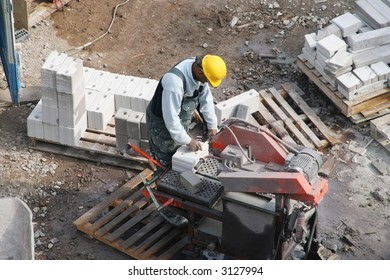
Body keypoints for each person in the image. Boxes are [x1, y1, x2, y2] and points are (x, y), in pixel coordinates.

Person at [146, 54, 227, 169]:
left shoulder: (200, 71)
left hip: (178, 119)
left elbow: (206, 101)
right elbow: (171, 118)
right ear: (200, 72)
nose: (207, 83)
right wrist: (188, 140)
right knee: (166, 158)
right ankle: (162, 175)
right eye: (207, 80)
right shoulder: (174, 82)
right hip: (161, 124)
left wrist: (212, 126)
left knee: (180, 156)